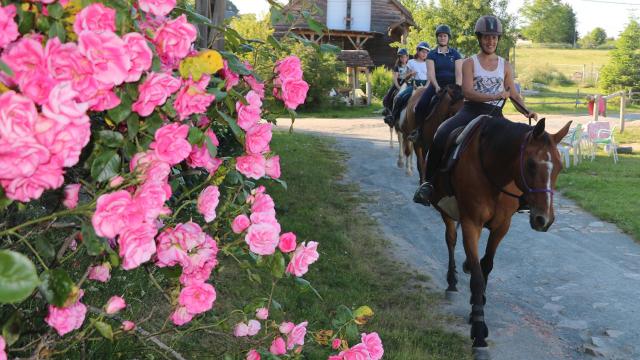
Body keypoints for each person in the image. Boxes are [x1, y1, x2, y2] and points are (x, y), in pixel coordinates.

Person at [413, 15, 538, 206]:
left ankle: (524, 193)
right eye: (487, 37)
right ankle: (428, 184)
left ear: (498, 39)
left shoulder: (505, 65)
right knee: (441, 133)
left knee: (518, 144)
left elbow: (513, 93)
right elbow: (468, 93)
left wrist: (526, 111)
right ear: (479, 39)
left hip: (496, 115)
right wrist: (495, 96)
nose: (491, 41)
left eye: (494, 37)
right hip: (470, 111)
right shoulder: (470, 62)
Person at [408, 24, 463, 142]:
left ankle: (465, 131)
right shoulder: (432, 54)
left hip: (453, 87)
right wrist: (437, 86)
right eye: (440, 36)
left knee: (466, 105)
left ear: (448, 38)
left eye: (444, 36)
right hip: (436, 86)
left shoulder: (455, 54)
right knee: (421, 104)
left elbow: (459, 72)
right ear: (437, 38)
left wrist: (458, 86)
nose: (442, 38)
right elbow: (431, 74)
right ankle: (417, 130)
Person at [386, 41, 430, 126]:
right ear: (418, 51)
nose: (425, 54)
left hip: (426, 86)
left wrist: (426, 86)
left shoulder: (429, 63)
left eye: (427, 52)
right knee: (400, 97)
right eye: (423, 52)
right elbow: (405, 77)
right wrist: (410, 74)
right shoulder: (411, 62)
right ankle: (393, 117)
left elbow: (430, 77)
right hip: (413, 85)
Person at [382, 48, 410, 123]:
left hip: (406, 82)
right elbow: (395, 78)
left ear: (407, 57)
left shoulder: (409, 66)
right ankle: (387, 108)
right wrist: (398, 87)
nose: (403, 59)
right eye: (401, 57)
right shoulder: (397, 67)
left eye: (405, 57)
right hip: (398, 82)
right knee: (389, 93)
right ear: (399, 58)